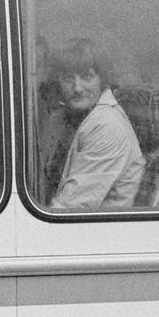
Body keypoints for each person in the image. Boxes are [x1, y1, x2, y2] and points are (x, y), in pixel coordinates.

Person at [37, 38, 144, 209]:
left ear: (102, 80)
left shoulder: (107, 127)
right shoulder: (69, 118)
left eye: (87, 77)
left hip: (101, 232)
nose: (78, 87)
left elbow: (69, 210)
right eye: (68, 78)